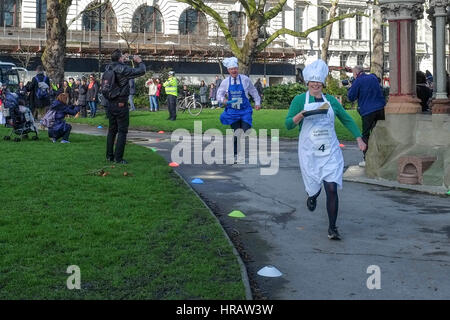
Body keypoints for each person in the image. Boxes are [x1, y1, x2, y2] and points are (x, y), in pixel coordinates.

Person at [285, 59, 366, 240]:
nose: (315, 84)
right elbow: (288, 124)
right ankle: (312, 196)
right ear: (308, 83)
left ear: (322, 83)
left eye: (318, 82)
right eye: (312, 82)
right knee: (315, 187)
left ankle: (332, 228)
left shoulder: (330, 101)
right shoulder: (299, 100)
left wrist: (358, 138)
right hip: (309, 153)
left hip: (330, 151)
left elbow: (346, 119)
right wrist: (302, 114)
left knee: (331, 187)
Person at [216, 57, 261, 162]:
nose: (234, 71)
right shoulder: (225, 82)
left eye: (235, 68)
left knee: (246, 130)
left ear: (238, 69)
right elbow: (219, 95)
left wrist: (257, 102)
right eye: (231, 69)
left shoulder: (245, 79)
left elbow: (253, 91)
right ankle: (236, 154)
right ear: (228, 70)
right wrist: (225, 101)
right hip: (233, 112)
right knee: (237, 133)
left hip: (245, 110)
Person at [105, 49, 146, 164]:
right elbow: (141, 71)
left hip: (111, 103)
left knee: (112, 130)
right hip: (120, 103)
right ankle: (118, 158)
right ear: (119, 58)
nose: (124, 58)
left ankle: (109, 156)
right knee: (122, 131)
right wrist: (139, 61)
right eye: (122, 57)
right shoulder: (122, 69)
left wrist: (127, 58)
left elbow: (120, 70)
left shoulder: (108, 67)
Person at [347, 65, 386, 167]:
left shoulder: (358, 81)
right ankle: (383, 157)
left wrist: (351, 86)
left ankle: (367, 159)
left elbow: (351, 97)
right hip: (381, 108)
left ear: (356, 73)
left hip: (368, 111)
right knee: (379, 133)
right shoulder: (373, 77)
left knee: (365, 135)